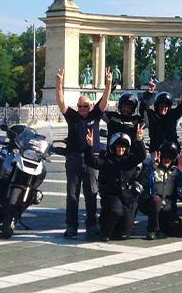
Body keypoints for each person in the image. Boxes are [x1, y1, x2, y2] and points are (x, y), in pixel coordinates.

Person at [56, 67, 111, 239]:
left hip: (91, 159)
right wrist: (59, 84)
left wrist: (108, 84)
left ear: (91, 106)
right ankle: (71, 226)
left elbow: (104, 101)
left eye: (85, 106)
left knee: (91, 194)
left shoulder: (95, 115)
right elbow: (61, 103)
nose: (82, 109)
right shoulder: (72, 116)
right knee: (72, 195)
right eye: (79, 106)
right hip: (73, 158)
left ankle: (91, 225)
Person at [84, 128, 145, 241]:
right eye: (118, 146)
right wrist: (89, 146)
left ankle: (116, 228)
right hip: (111, 195)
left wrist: (139, 139)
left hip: (127, 197)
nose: (120, 149)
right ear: (113, 147)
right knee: (116, 210)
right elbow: (91, 161)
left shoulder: (130, 160)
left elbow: (142, 155)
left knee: (124, 234)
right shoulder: (107, 160)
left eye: (123, 146)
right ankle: (105, 230)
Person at [137, 141, 182, 239]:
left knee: (179, 231)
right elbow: (144, 181)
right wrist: (153, 167)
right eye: (164, 156)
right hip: (151, 203)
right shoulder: (152, 168)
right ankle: (152, 230)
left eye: (170, 157)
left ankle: (163, 226)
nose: (167, 159)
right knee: (156, 200)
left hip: (168, 206)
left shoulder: (176, 171)